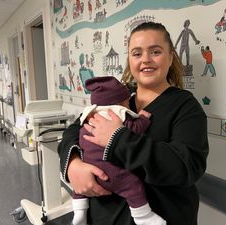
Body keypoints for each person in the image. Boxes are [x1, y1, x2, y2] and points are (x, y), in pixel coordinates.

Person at [58, 21, 209, 225]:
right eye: (137, 53)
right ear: (129, 60)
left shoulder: (185, 106)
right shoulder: (116, 98)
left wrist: (118, 140)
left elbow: (186, 167)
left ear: (171, 56)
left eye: (155, 51)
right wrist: (73, 163)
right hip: (104, 217)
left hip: (165, 216)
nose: (145, 60)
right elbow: (74, 131)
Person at [72, 76, 166, 225]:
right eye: (127, 102)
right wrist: (143, 119)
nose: (129, 104)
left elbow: (75, 132)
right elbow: (134, 129)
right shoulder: (118, 115)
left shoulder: (89, 116)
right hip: (110, 174)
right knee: (133, 185)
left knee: (78, 189)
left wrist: (76, 161)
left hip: (90, 172)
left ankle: (79, 211)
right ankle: (143, 216)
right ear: (120, 103)